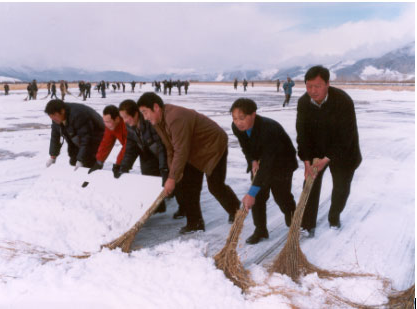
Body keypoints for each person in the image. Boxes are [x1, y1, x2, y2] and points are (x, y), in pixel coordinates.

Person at [137, 92, 240, 234]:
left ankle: (236, 210)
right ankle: (195, 223)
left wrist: (172, 178)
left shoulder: (175, 117)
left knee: (215, 186)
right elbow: (169, 148)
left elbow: (180, 150)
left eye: (145, 112)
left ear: (156, 107)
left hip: (213, 145)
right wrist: (171, 175)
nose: (145, 117)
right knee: (188, 185)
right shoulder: (158, 122)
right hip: (193, 148)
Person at [296, 65, 362, 237]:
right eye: (309, 86)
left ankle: (334, 217)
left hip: (344, 151)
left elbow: (346, 136)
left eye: (317, 86)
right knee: (309, 185)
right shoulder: (303, 103)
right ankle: (307, 224)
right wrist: (307, 163)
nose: (312, 90)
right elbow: (302, 134)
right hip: (317, 149)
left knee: (341, 188)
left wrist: (327, 159)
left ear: (327, 84)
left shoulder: (343, 101)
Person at [231, 98, 298, 244]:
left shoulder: (269, 129)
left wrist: (251, 192)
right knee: (259, 198)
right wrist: (252, 160)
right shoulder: (237, 127)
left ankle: (294, 222)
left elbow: (269, 162)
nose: (238, 122)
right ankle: (260, 230)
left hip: (282, 162)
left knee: (281, 196)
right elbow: (245, 147)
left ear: (253, 114)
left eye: (242, 118)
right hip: (262, 160)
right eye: (235, 118)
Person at [114, 100, 173, 214]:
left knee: (171, 177)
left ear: (136, 114)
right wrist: (124, 167)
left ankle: (183, 207)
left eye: (126, 117)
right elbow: (130, 148)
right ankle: (158, 205)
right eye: (123, 118)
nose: (124, 121)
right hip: (148, 152)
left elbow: (162, 147)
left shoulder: (150, 122)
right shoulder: (129, 125)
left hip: (164, 152)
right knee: (148, 176)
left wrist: (164, 168)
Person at [45, 100, 104, 170]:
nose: (53, 119)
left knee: (89, 161)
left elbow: (86, 139)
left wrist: (81, 160)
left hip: (97, 134)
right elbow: (55, 137)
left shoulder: (78, 115)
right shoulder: (57, 118)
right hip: (77, 135)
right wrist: (53, 156)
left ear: (62, 111)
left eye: (54, 116)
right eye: (51, 117)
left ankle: (93, 175)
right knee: (73, 159)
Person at [88, 105, 127, 178]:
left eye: (108, 121)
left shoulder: (128, 123)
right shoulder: (111, 126)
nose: (106, 125)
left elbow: (129, 145)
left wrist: (119, 163)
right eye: (104, 122)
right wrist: (99, 162)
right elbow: (106, 143)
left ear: (117, 119)